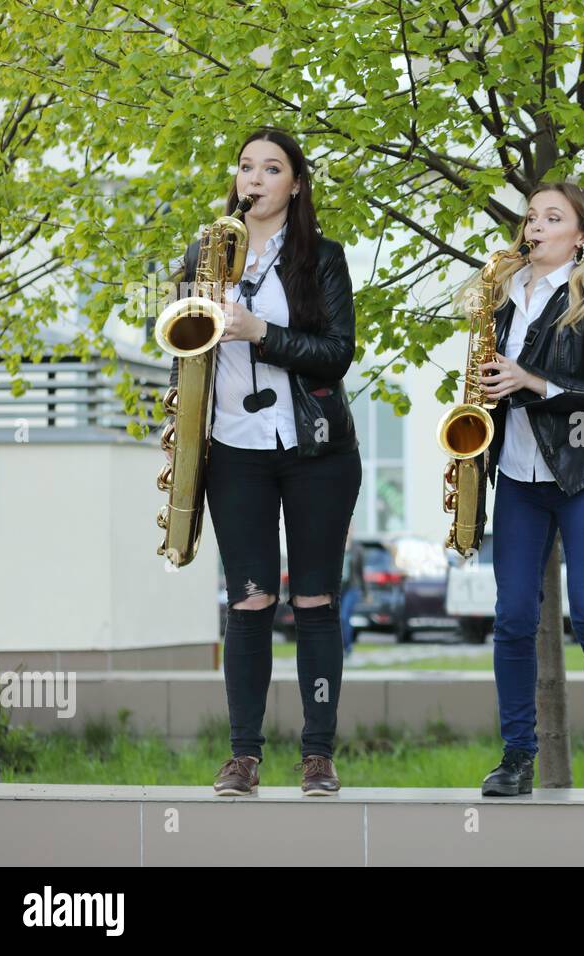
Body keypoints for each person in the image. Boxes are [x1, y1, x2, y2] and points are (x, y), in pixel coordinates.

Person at [162, 127, 361, 796]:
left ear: (295, 184)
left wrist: (261, 334)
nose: (255, 178)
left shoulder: (323, 258)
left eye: (271, 169)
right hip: (235, 452)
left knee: (313, 600)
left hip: (316, 451)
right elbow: (182, 343)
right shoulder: (204, 252)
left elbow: (336, 353)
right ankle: (243, 757)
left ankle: (317, 756)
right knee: (248, 602)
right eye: (246, 166)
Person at [463, 181, 584, 799]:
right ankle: (517, 758)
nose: (535, 225)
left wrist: (530, 381)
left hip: (583, 473)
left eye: (552, 217)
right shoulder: (500, 300)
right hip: (516, 476)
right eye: (531, 216)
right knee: (513, 619)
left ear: (580, 236)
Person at [339, 531, 365, 658]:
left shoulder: (357, 549)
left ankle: (348, 647)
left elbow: (361, 572)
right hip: (338, 588)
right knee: (337, 618)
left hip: (352, 588)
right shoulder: (337, 544)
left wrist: (366, 592)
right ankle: (339, 647)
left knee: (344, 616)